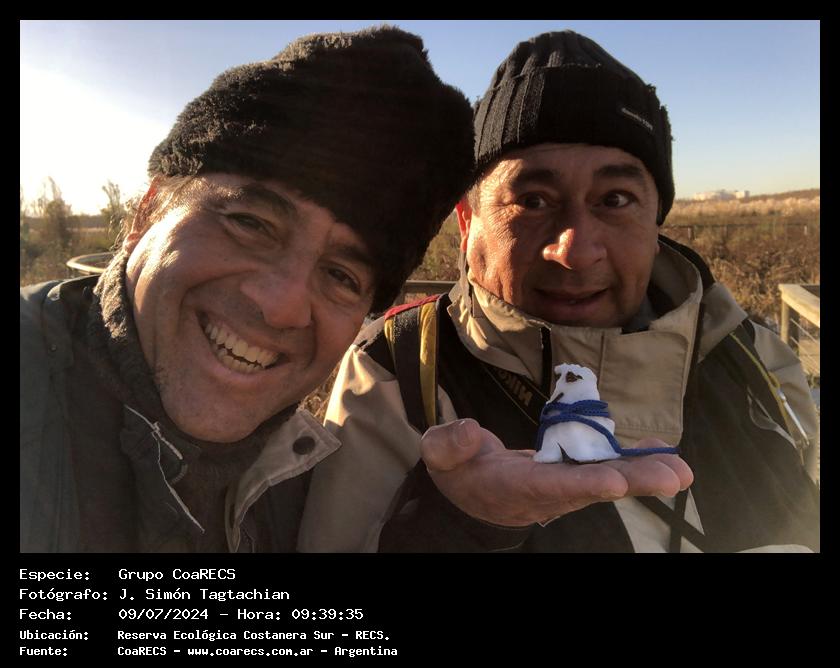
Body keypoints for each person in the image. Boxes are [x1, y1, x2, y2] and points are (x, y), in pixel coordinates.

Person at [298, 30, 820, 553]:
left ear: (654, 222)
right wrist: (465, 527)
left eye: (615, 199)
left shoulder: (748, 353)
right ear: (467, 221)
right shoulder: (400, 371)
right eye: (532, 201)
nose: (575, 251)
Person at [19, 26, 476, 552]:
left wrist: (475, 522)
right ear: (148, 212)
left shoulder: (296, 485)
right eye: (250, 223)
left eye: (341, 276)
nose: (281, 306)